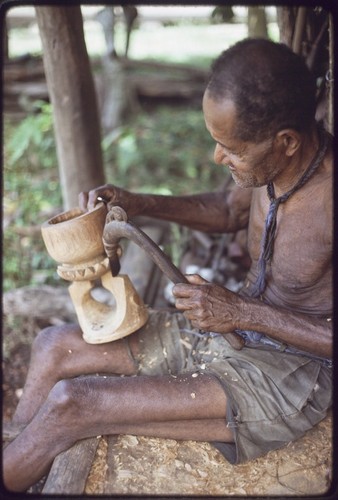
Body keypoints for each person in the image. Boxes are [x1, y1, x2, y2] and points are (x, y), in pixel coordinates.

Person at [3, 38, 332, 492]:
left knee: (73, 403)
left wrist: (241, 313)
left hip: (289, 376)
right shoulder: (270, 166)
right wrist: (139, 203)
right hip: (233, 333)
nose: (219, 158)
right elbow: (229, 211)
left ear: (287, 142)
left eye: (230, 149)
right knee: (53, 346)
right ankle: (18, 455)